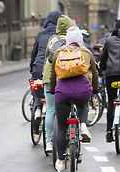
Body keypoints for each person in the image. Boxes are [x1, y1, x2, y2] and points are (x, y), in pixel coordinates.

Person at [49, 26, 99, 172]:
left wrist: (53, 90)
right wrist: (94, 90)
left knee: (62, 127)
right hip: (82, 91)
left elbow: (52, 74)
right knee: (83, 104)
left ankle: (61, 161)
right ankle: (83, 125)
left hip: (62, 92)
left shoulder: (59, 52)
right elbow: (95, 74)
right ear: (80, 40)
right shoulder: (86, 52)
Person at [42, 15, 76, 154]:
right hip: (68, 77)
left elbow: (46, 58)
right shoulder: (74, 40)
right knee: (69, 106)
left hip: (49, 77)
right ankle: (71, 134)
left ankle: (49, 141)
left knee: (50, 109)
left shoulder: (52, 40)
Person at [29, 10, 62, 151]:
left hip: (38, 70)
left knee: (37, 88)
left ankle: (37, 108)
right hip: (55, 72)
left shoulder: (41, 33)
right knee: (51, 105)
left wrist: (32, 67)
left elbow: (34, 52)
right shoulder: (60, 35)